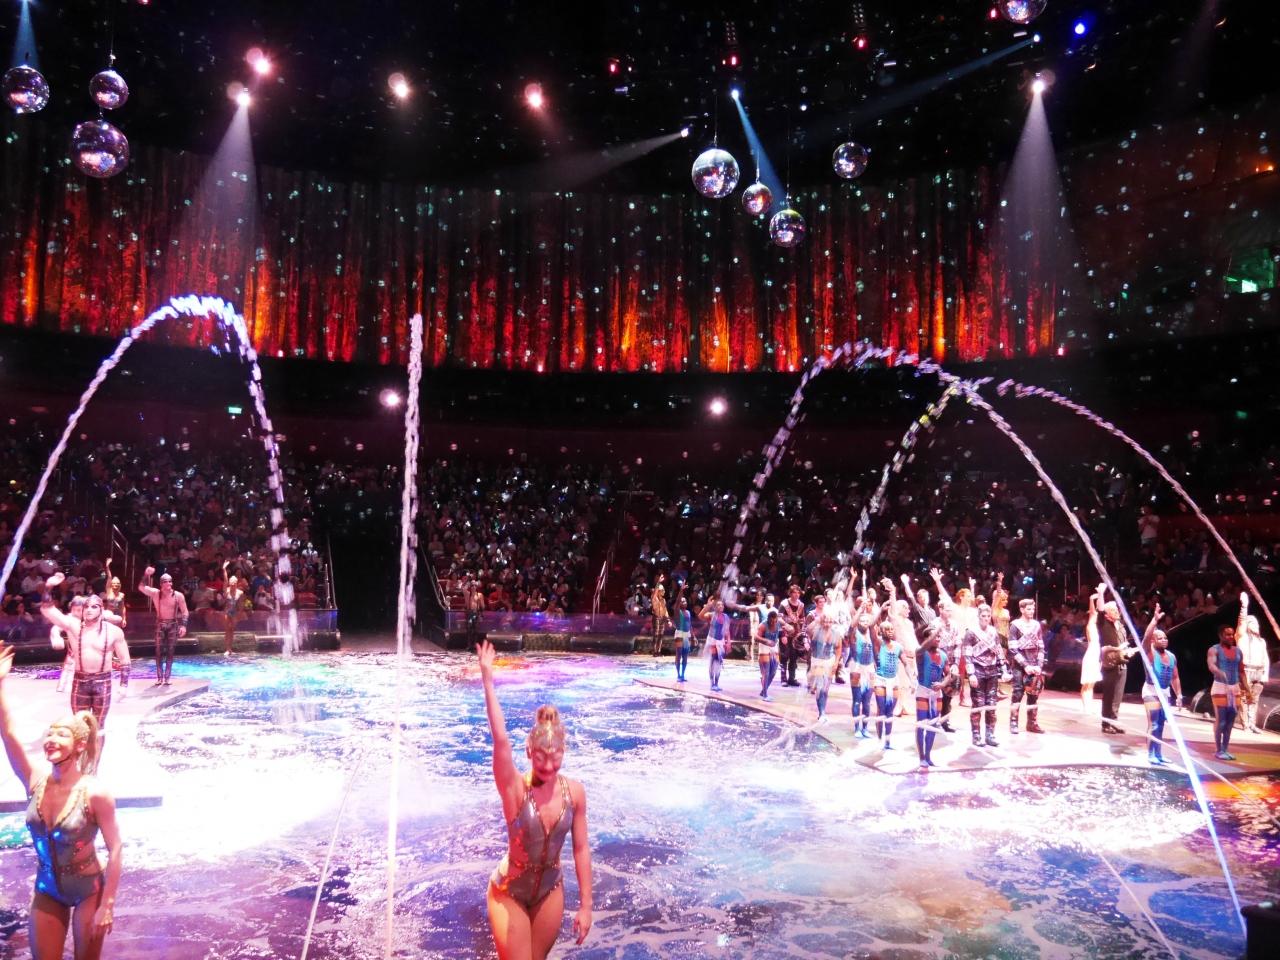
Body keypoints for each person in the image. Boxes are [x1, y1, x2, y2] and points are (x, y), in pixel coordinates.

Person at [0, 644, 124, 960]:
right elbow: (8, 733)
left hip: (88, 891)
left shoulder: (95, 793)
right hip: (47, 888)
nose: (51, 740)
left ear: (80, 745)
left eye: (61, 735)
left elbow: (116, 848)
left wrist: (107, 905)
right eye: (49, 734)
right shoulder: (34, 781)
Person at [477, 641, 591, 959]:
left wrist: (586, 905)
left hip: (549, 890)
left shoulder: (575, 793)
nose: (548, 766)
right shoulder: (515, 789)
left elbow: (581, 848)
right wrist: (488, 680)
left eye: (555, 759)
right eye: (541, 758)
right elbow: (500, 739)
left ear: (563, 752)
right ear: (529, 752)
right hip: (509, 891)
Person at [38, 576, 130, 741]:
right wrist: (48, 588)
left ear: (101, 609)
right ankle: (80, 757)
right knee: (79, 727)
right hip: (80, 681)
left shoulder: (114, 631)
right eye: (86, 607)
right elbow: (48, 610)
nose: (89, 610)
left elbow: (125, 660)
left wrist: (124, 685)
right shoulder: (73, 626)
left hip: (103, 682)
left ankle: (95, 757)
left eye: (94, 607)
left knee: (99, 727)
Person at [1088, 585, 1132, 734]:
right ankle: (1106, 723)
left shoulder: (1120, 625)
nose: (1116, 612)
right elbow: (1100, 609)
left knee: (1118, 695)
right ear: (1106, 614)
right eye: (1113, 610)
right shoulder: (1103, 623)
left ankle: (1113, 720)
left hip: (1122, 662)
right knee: (1109, 695)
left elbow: (1124, 641)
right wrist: (1101, 593)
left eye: (1116, 609)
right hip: (1110, 663)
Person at [1141, 604, 1182, 765]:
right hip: (1151, 691)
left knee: (1161, 724)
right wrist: (1154, 620)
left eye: (1165, 638)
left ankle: (1158, 753)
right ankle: (1150, 754)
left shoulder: (1171, 656)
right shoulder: (1149, 652)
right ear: (1153, 640)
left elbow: (1175, 677)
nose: (1164, 640)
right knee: (1154, 724)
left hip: (1165, 692)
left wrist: (1179, 695)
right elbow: (1145, 638)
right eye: (1160, 638)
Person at [963, 603, 1005, 748]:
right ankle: (976, 735)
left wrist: (1004, 669)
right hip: (978, 671)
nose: (986, 618)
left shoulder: (993, 632)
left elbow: (999, 651)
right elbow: (967, 655)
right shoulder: (971, 632)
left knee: (991, 705)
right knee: (978, 705)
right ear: (978, 616)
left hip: (992, 672)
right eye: (983, 616)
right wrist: (971, 674)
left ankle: (990, 734)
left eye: (988, 616)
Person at [138, 568, 188, 687]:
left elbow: (185, 611)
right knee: (159, 651)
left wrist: (184, 626)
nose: (169, 584)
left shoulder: (178, 595)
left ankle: (167, 677)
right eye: (166, 581)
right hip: (160, 624)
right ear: (161, 584)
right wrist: (146, 574)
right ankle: (159, 677)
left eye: (170, 581)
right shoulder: (156, 593)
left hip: (173, 625)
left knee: (170, 651)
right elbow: (141, 587)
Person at [1007, 598, 1046, 735]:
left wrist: (1039, 665)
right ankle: (1013, 722)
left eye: (1033, 609)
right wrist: (1025, 665)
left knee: (1034, 694)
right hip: (1019, 665)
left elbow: (1041, 647)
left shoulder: (1036, 625)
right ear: (1022, 609)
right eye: (1029, 609)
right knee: (1018, 693)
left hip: (1034, 664)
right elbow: (1013, 649)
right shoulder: (1015, 625)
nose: (1031, 611)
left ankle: (1032, 723)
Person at [871, 617, 907, 750]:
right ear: (881, 631)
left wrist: (912, 677)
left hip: (893, 680)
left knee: (889, 712)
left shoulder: (898, 647)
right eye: (887, 629)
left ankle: (887, 741)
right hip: (881, 679)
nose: (890, 631)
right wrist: (879, 612)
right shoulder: (878, 644)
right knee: (881, 711)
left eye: (891, 629)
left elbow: (905, 663)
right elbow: (871, 627)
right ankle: (879, 739)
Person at [1207, 623, 1241, 761]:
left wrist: (1247, 689)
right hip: (1220, 687)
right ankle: (1218, 750)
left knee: (1230, 722)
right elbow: (1211, 665)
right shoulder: (1214, 649)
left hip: (1235, 688)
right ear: (1221, 635)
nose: (1231, 637)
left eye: (1232, 634)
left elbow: (1241, 671)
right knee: (1221, 721)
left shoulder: (1238, 651)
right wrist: (1219, 672)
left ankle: (1225, 749)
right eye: (1227, 634)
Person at [915, 630, 949, 769]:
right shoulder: (920, 652)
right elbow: (923, 647)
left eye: (939, 636)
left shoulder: (943, 655)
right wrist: (936, 630)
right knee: (922, 725)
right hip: (923, 691)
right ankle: (921, 757)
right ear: (927, 639)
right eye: (935, 637)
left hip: (936, 694)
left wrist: (943, 684)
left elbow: (948, 675)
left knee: (933, 726)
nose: (938, 639)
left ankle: (928, 756)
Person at [1237, 592, 1270, 734]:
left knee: (1254, 700)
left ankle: (1252, 724)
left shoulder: (1261, 641)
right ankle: (1245, 724)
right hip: (1246, 671)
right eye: (1252, 623)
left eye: (1257, 623)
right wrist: (1244, 606)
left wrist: (1265, 675)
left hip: (1258, 671)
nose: (1256, 625)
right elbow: (1241, 622)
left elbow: (1266, 658)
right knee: (1244, 698)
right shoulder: (1242, 636)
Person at [806, 604, 840, 722]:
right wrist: (817, 619)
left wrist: (836, 663)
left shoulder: (835, 633)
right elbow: (807, 630)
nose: (827, 624)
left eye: (830, 621)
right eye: (825, 621)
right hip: (817, 661)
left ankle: (823, 710)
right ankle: (821, 713)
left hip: (829, 661)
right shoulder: (816, 631)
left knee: (825, 689)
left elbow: (838, 648)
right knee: (820, 688)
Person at [846, 613, 876, 738]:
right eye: (862, 620)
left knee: (867, 702)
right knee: (857, 700)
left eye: (867, 621)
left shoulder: (872, 634)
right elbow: (851, 626)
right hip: (856, 668)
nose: (865, 623)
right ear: (858, 622)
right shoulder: (854, 634)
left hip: (869, 668)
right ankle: (857, 728)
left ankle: (865, 728)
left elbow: (874, 623)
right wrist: (861, 609)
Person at [700, 599, 732, 692]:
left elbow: (727, 631)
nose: (721, 606)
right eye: (718, 605)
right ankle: (712, 683)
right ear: (715, 607)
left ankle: (716, 683)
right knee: (713, 661)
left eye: (722, 605)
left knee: (719, 662)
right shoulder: (711, 615)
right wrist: (708, 606)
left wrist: (728, 642)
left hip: (720, 641)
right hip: (712, 641)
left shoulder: (726, 617)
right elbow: (700, 616)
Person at [754, 610, 786, 701]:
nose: (772, 623)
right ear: (768, 619)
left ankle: (763, 690)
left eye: (774, 621)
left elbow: (786, 629)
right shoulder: (763, 625)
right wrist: (766, 641)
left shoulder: (779, 622)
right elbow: (756, 637)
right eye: (771, 621)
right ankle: (765, 695)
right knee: (766, 672)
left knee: (773, 672)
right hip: (764, 647)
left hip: (774, 647)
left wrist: (784, 635)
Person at [778, 585, 806, 687]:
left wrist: (801, 634)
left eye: (798, 593)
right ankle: (783, 679)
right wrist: (786, 626)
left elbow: (802, 619)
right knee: (784, 656)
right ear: (790, 593)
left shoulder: (801, 605)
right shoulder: (784, 604)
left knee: (794, 657)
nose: (797, 595)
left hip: (796, 634)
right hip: (785, 632)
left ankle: (792, 678)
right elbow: (779, 618)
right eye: (794, 592)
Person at [221, 561, 244, 656]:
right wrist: (224, 569)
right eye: (231, 583)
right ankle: (227, 649)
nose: (232, 585)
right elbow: (225, 581)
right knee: (227, 630)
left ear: (236, 583)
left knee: (232, 630)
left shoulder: (240, 593)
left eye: (234, 583)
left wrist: (240, 615)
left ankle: (230, 648)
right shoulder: (226, 591)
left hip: (234, 612)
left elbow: (241, 605)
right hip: (227, 612)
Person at [671, 595, 692, 683]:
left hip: (687, 634)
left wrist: (693, 636)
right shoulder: (677, 611)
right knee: (679, 654)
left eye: (685, 601)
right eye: (682, 601)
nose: (684, 602)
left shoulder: (688, 612)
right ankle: (678, 675)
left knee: (685, 655)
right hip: (679, 633)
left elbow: (690, 625)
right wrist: (681, 590)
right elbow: (677, 601)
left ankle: (683, 674)